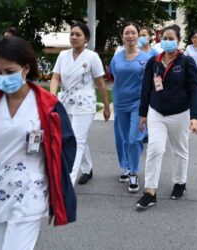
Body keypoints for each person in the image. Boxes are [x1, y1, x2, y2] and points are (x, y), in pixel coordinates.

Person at [0, 36, 77, 250]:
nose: (3, 77)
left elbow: (65, 151)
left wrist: (56, 195)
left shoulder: (49, 107)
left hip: (31, 194)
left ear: (25, 68)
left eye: (9, 72)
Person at [137, 25, 197, 209]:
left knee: (179, 150)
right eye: (164, 38)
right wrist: (143, 114)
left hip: (180, 114)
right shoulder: (154, 62)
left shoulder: (187, 62)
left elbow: (196, 89)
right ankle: (150, 192)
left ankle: (180, 182)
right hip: (156, 112)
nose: (167, 41)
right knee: (155, 150)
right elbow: (146, 89)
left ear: (178, 40)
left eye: (170, 38)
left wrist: (195, 116)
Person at [50, 22, 111, 185]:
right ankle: (87, 168)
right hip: (65, 102)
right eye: (72, 34)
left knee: (77, 139)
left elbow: (101, 84)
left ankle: (68, 180)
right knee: (73, 137)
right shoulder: (63, 55)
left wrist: (106, 106)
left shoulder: (92, 57)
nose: (74, 37)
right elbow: (56, 77)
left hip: (85, 104)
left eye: (78, 35)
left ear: (86, 39)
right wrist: (52, 97)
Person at [109, 21, 150, 193]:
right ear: (122, 36)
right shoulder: (116, 58)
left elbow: (150, 84)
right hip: (120, 104)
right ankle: (125, 166)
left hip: (138, 105)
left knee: (134, 139)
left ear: (138, 36)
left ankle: (134, 171)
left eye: (134, 33)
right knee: (122, 139)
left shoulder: (146, 59)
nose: (131, 36)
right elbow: (114, 78)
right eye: (127, 33)